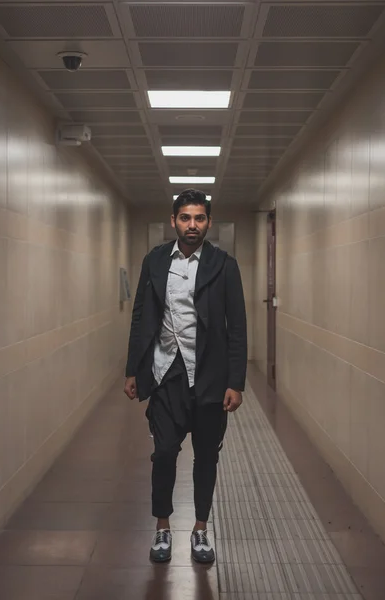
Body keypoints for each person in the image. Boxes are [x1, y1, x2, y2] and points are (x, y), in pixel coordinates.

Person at [124, 189, 247, 563]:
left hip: (209, 377)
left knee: (206, 457)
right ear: (174, 220)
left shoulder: (224, 266)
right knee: (163, 453)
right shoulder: (155, 261)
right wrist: (133, 369)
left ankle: (200, 529)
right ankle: (162, 527)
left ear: (208, 222)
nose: (191, 225)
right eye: (185, 218)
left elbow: (237, 328)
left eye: (198, 218)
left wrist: (236, 382)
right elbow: (141, 317)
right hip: (165, 375)